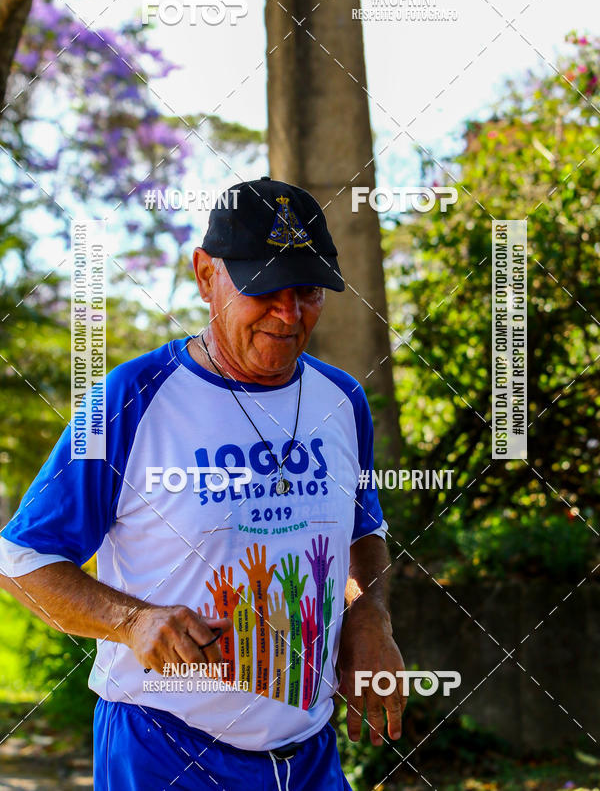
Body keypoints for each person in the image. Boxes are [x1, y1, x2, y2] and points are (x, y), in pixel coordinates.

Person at [0, 177, 406, 790]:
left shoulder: (342, 399)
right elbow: (20, 558)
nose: (289, 314)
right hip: (163, 750)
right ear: (205, 273)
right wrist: (131, 621)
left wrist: (369, 613)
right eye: (264, 288)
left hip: (309, 756)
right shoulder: (128, 401)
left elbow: (363, 531)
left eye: (308, 292)